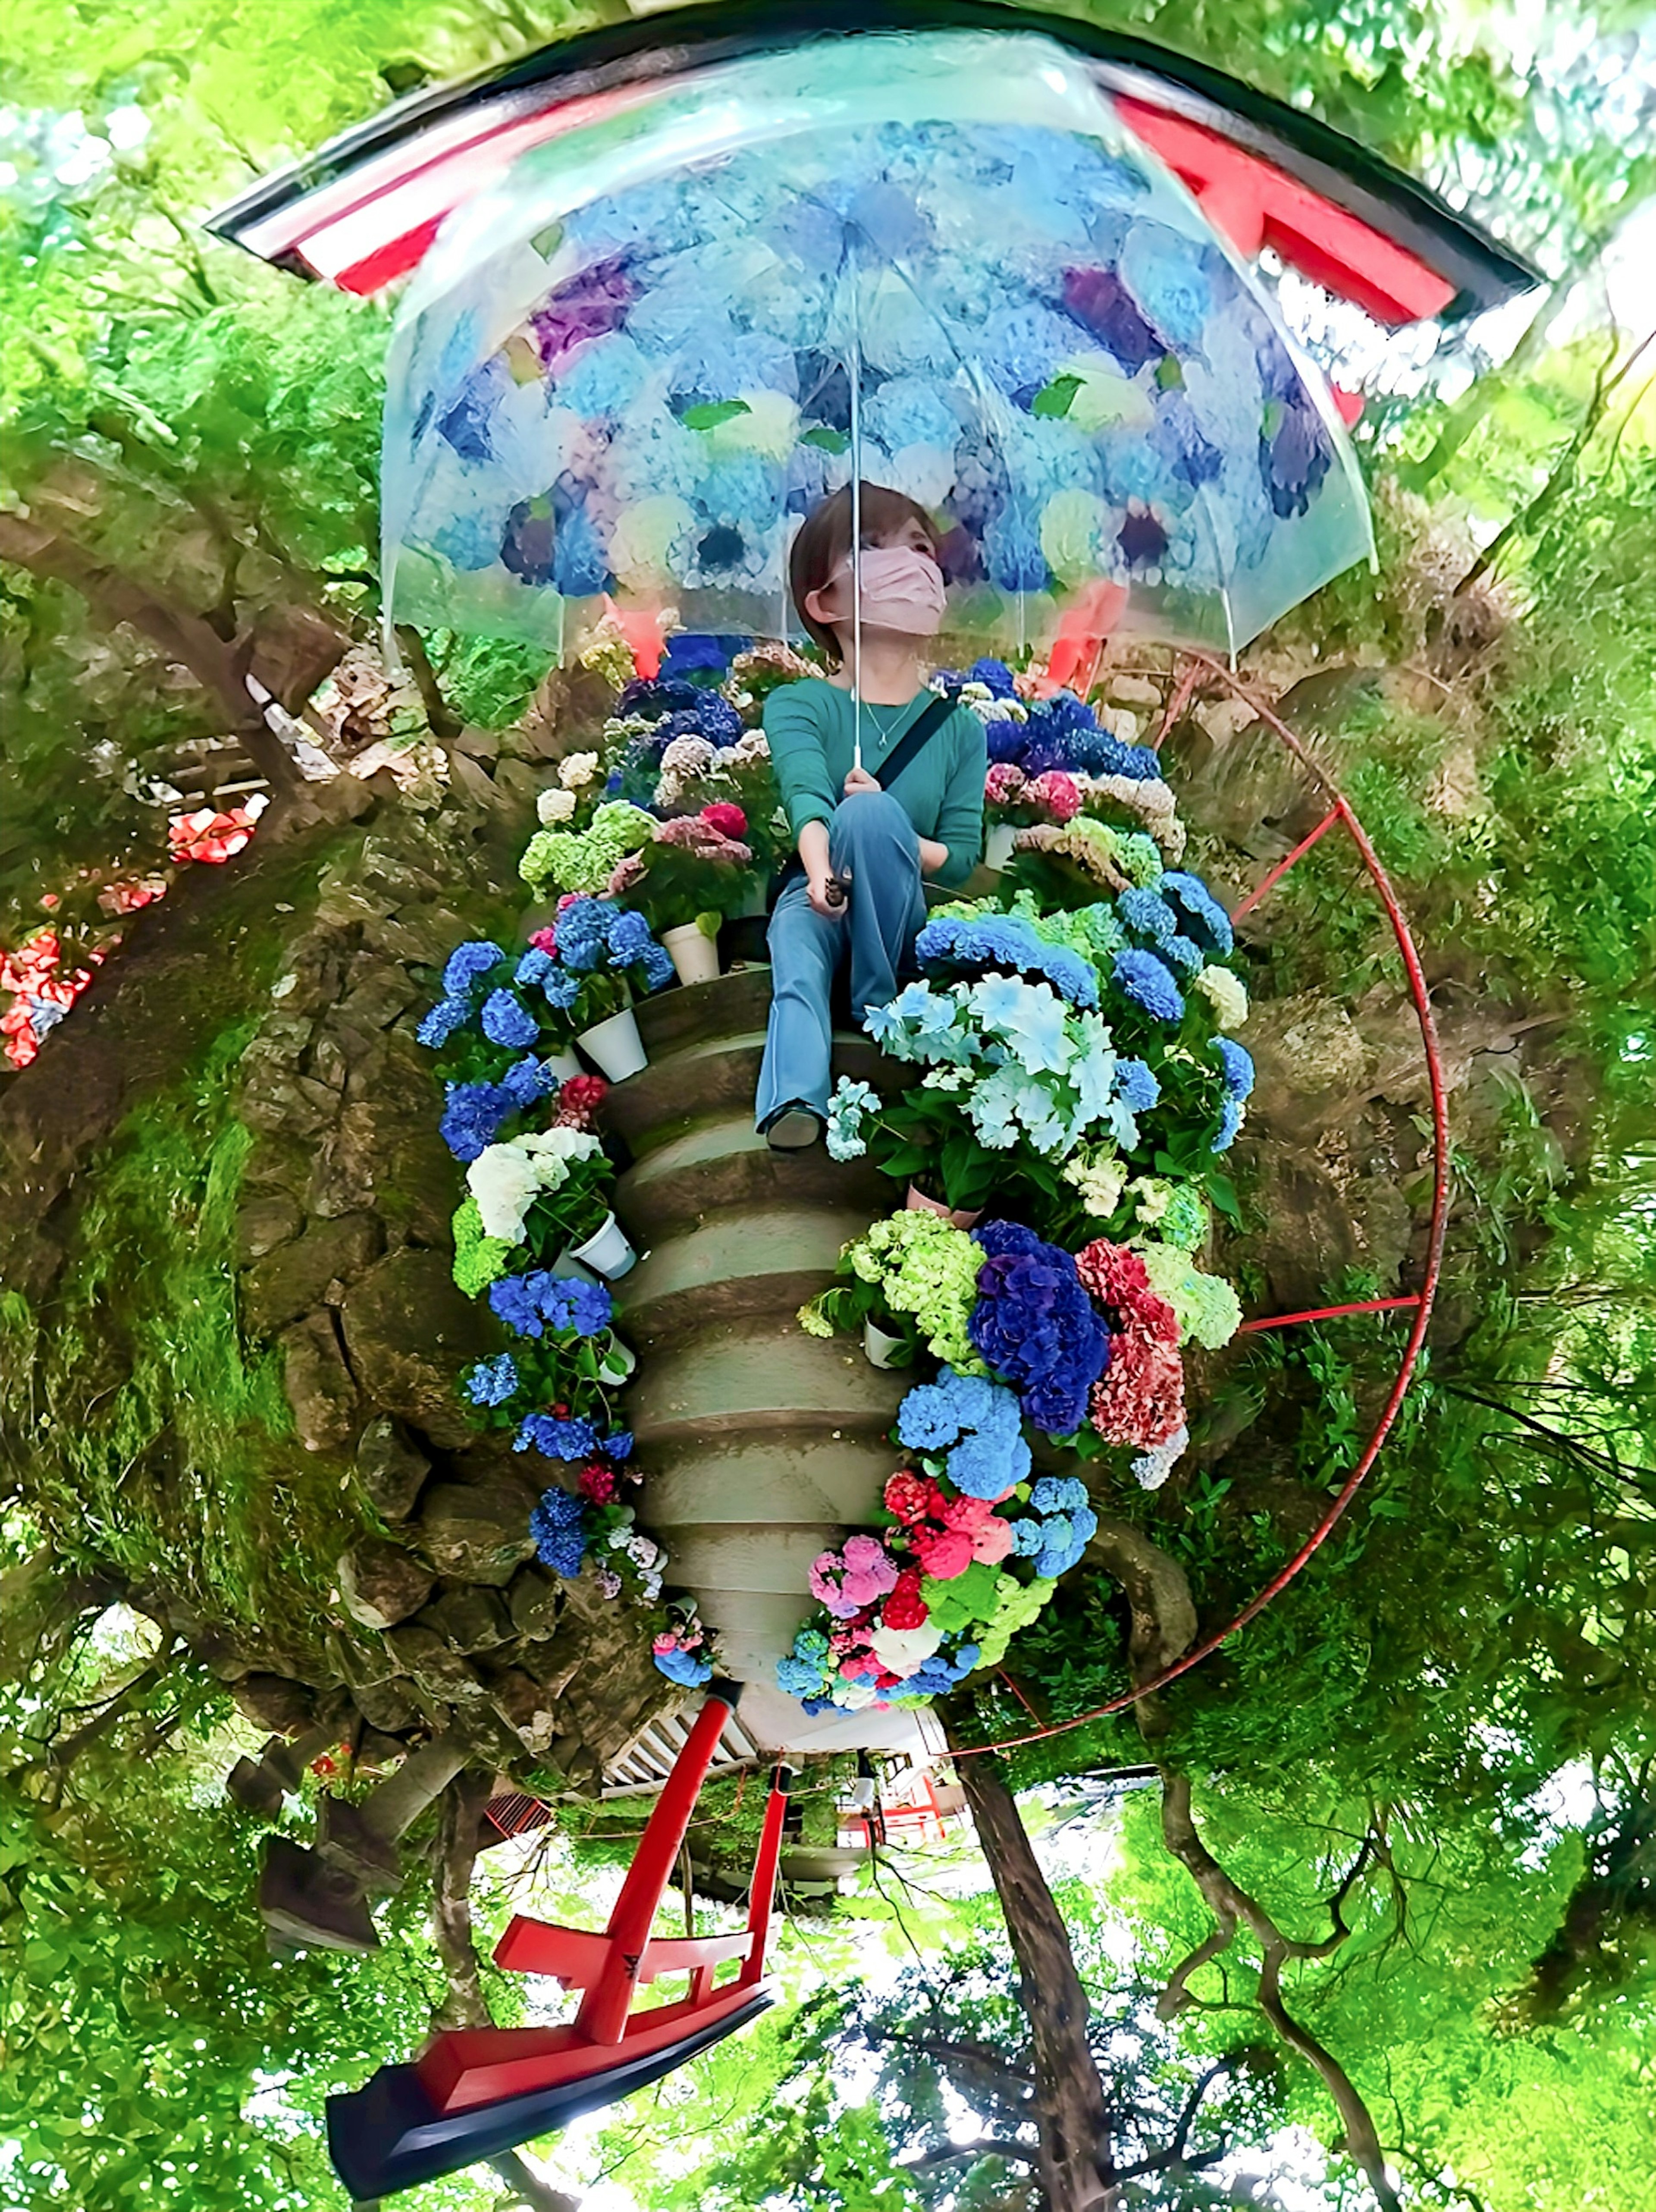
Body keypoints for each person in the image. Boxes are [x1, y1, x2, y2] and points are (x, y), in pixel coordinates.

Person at [755, 483, 987, 1149]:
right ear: (824, 601)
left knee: (872, 815)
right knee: (797, 946)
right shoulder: (800, 705)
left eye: (918, 547)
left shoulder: (958, 729)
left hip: (902, 909)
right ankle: (794, 1101)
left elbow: (962, 856)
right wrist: (824, 873)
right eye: (868, 547)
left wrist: (890, 832)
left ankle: (875, 1004)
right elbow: (806, 796)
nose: (908, 562)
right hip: (820, 888)